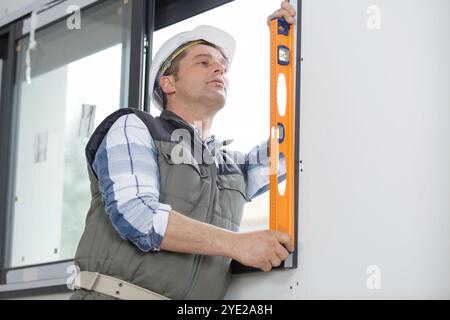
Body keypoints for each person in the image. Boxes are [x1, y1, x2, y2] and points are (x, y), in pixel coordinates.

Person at [70, 1, 297, 300]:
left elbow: (290, 148)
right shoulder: (134, 128)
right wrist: (237, 244)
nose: (219, 68)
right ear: (168, 82)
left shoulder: (231, 168)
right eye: (203, 62)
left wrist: (290, 40)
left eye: (222, 66)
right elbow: (138, 214)